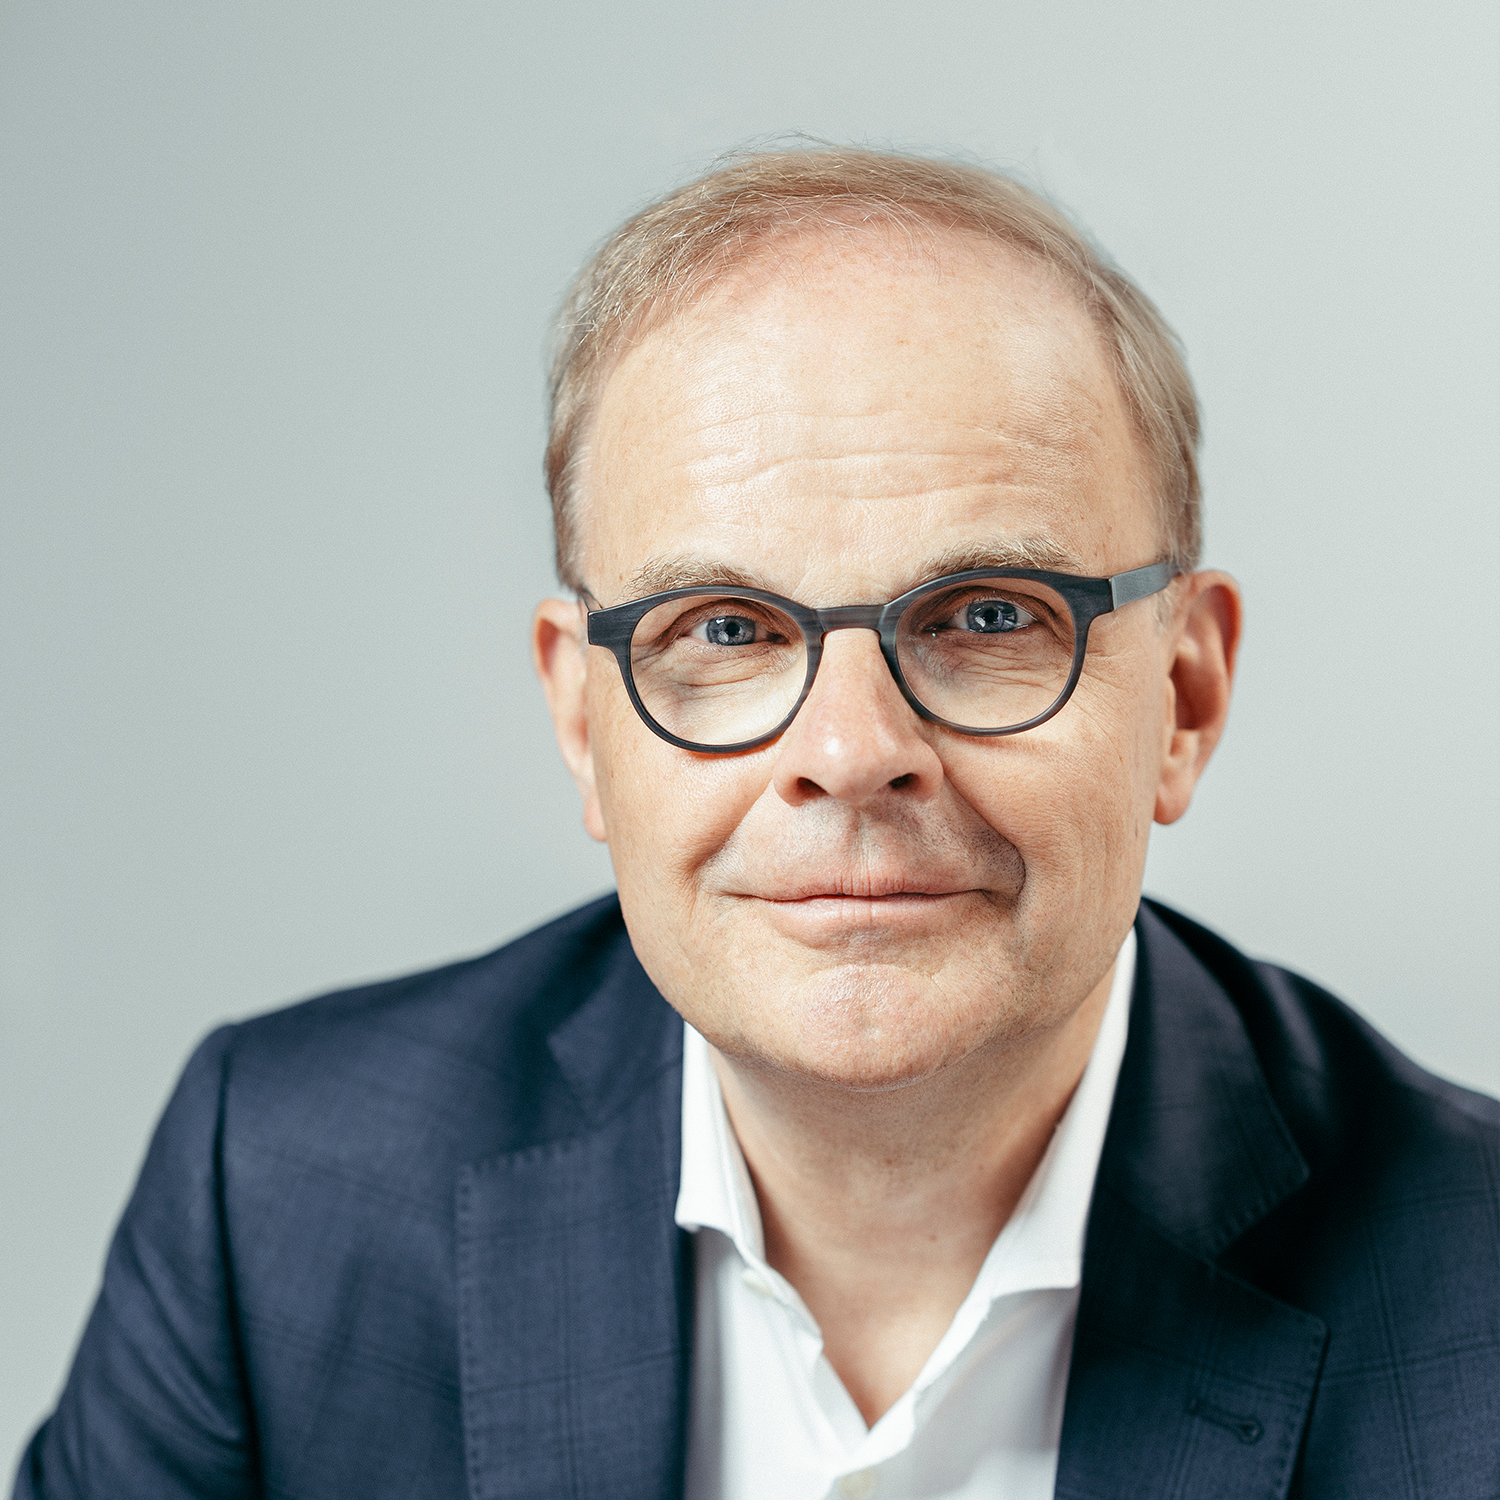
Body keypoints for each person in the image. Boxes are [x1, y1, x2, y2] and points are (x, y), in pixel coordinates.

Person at [15, 147, 1498, 1500]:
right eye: (724, 629)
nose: (851, 754)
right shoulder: (278, 1198)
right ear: (583, 721)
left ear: (1184, 696)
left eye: (989, 616)